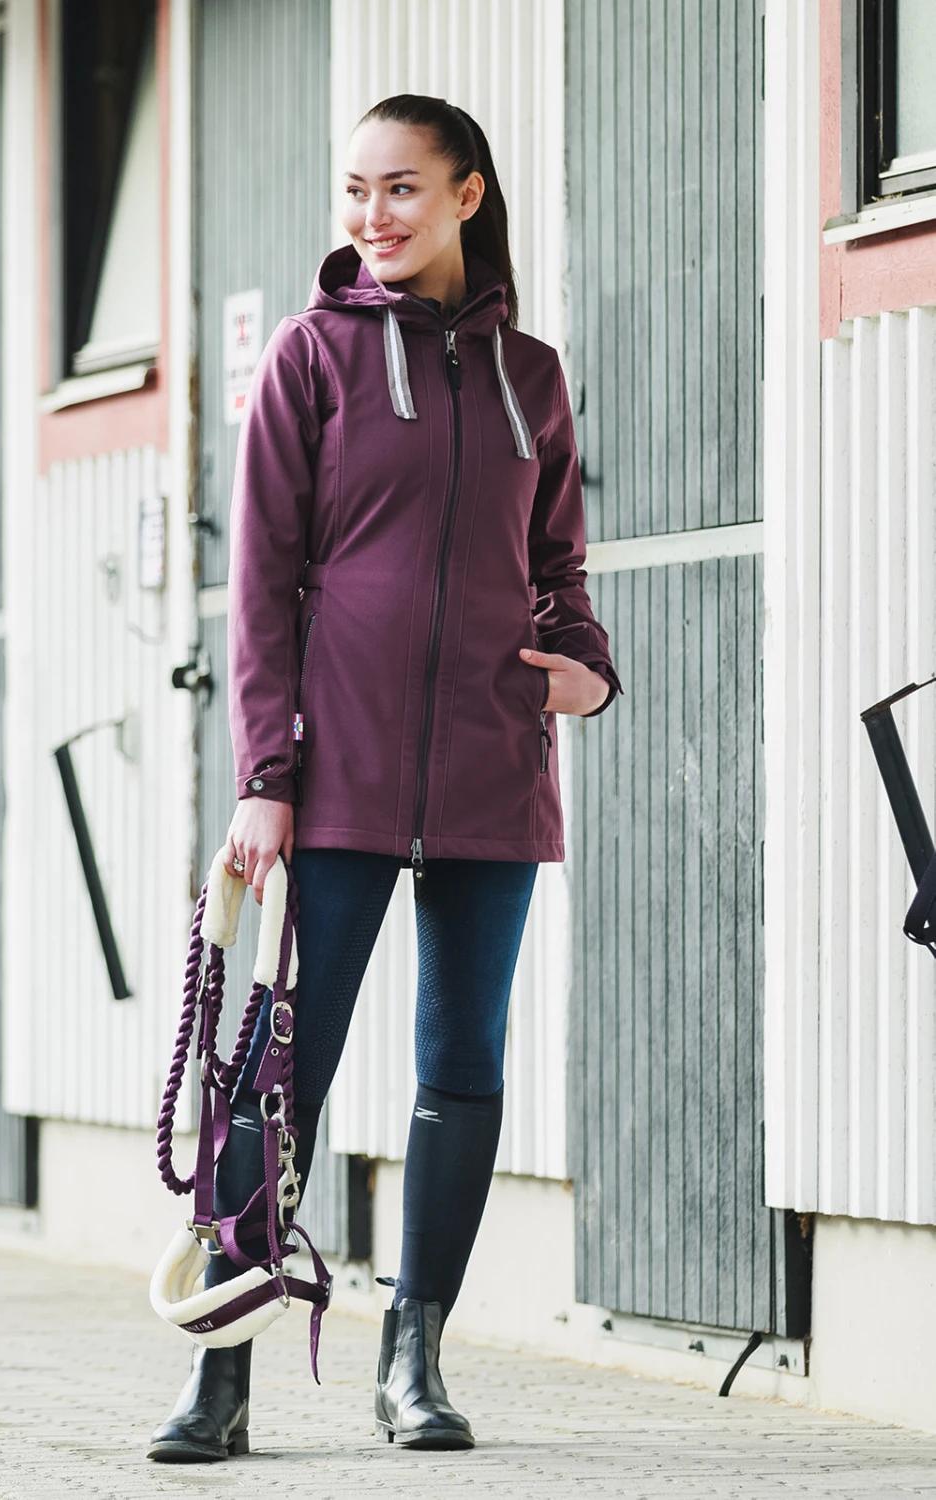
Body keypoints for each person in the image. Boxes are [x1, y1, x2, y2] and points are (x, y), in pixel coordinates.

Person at [146, 94, 623, 1462]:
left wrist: (585, 671)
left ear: (467, 194)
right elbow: (262, 583)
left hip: (492, 770)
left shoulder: (531, 375)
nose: (373, 215)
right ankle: (220, 1369)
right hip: (336, 775)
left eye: (402, 188)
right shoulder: (311, 358)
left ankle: (414, 1355)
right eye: (356, 189)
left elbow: (558, 568)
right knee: (277, 1071)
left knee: (462, 1063)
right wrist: (265, 773)